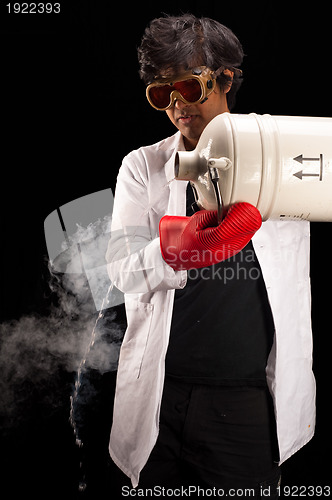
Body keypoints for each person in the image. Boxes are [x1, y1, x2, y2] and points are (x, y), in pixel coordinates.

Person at [106, 14, 315, 498]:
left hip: (246, 405)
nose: (178, 106)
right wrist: (179, 249)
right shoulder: (143, 166)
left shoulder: (287, 151)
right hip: (163, 397)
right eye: (163, 94)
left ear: (224, 79)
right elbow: (119, 270)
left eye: (188, 86)